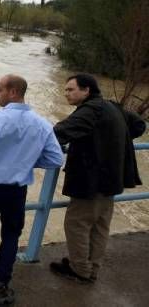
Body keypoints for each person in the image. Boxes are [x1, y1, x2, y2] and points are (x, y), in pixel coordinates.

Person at [0, 74, 63, 304]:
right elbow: (56, 159)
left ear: (13, 92)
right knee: (11, 235)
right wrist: (27, 161)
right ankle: (1, 282)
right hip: (16, 190)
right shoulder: (42, 123)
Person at [49, 73, 146, 283]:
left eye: (71, 89)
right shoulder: (111, 106)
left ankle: (79, 270)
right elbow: (139, 125)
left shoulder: (90, 110)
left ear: (86, 90)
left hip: (91, 180)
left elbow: (57, 133)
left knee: (77, 224)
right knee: (100, 226)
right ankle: (91, 268)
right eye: (65, 89)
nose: (66, 93)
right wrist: (111, 141)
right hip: (113, 178)